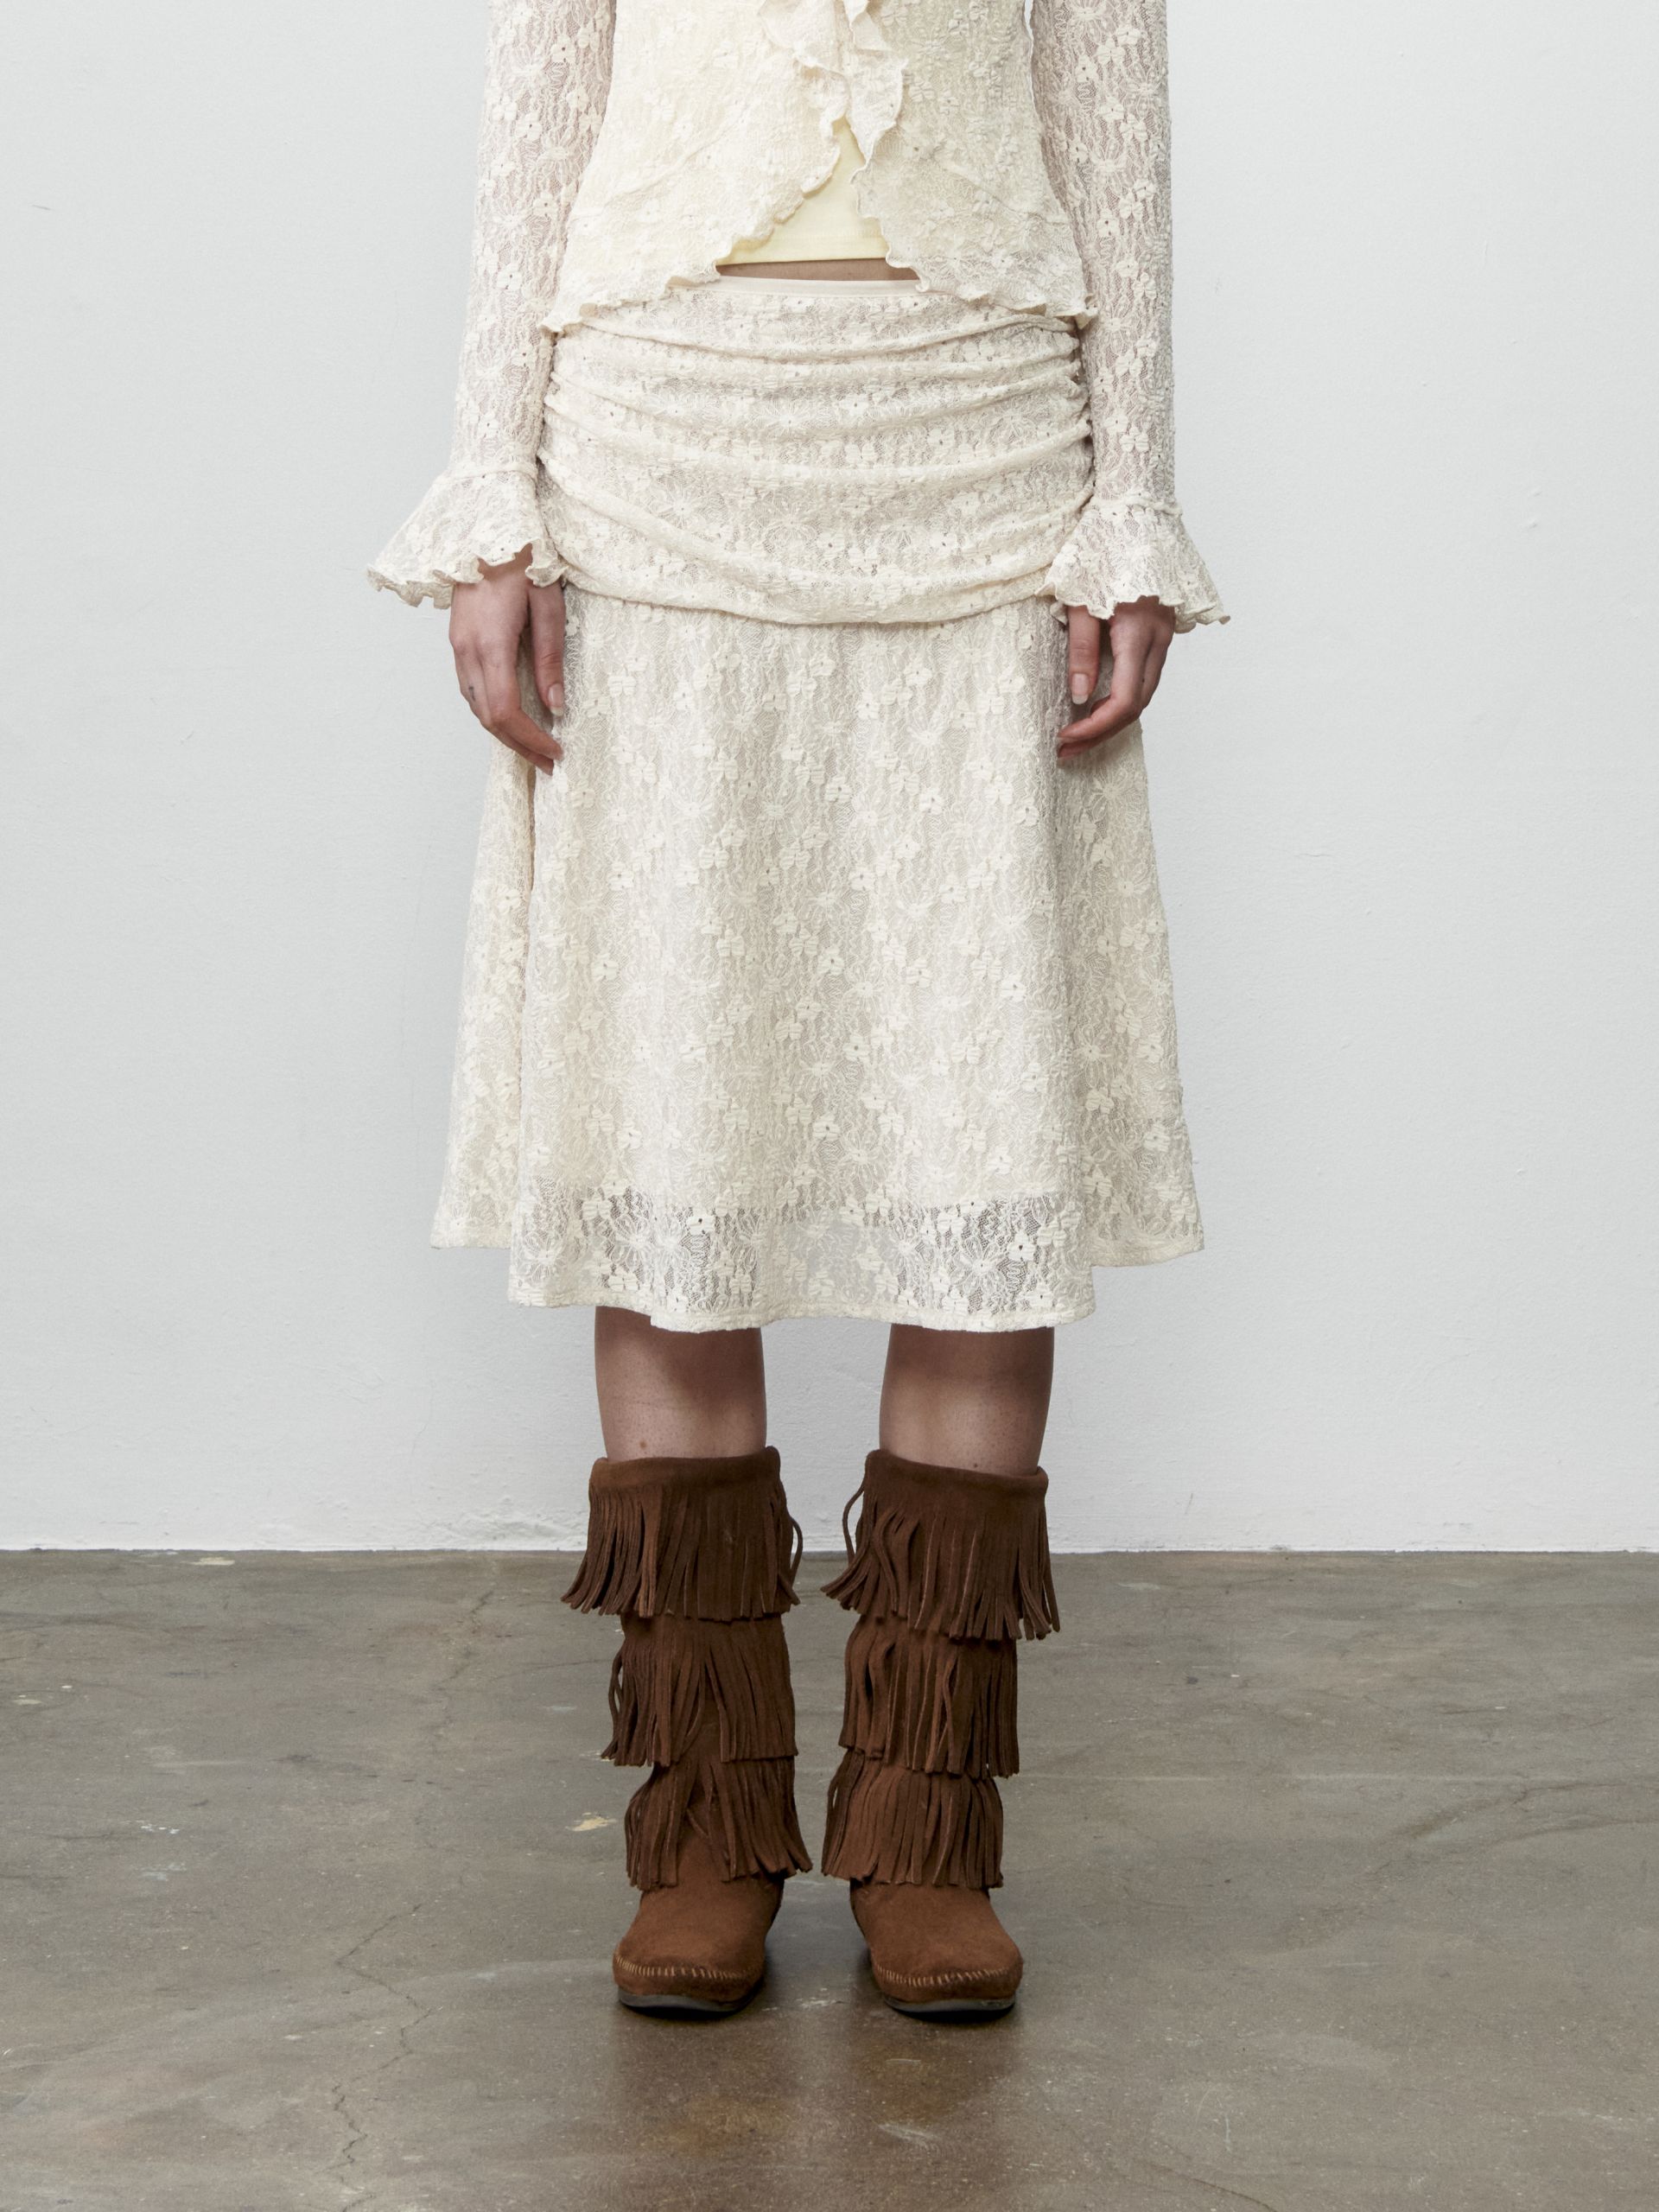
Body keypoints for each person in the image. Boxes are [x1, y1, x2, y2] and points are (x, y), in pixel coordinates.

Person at [370, 0, 1224, 2021]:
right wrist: (494, 485)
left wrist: (1131, 497)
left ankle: (927, 1829)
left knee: (976, 1134)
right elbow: (542, 100)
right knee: (673, 1129)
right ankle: (705, 1824)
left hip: (976, 440)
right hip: (661, 443)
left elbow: (1111, 115)